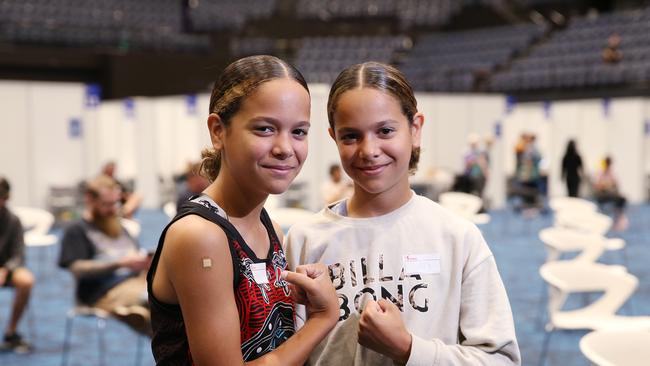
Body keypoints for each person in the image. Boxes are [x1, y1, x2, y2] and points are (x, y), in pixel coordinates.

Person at [285, 62, 520, 365]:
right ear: (334, 138)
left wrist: (408, 349)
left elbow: (501, 360)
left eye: (385, 131)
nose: (369, 149)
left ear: (415, 129)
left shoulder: (457, 238)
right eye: (351, 136)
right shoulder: (305, 240)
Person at [146, 55, 338, 365]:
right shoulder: (200, 236)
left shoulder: (268, 227)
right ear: (218, 131)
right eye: (264, 129)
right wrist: (321, 319)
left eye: (299, 132)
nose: (285, 148)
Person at [59, 175, 151, 336]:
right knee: (162, 307)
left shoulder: (119, 225)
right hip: (103, 291)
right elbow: (77, 269)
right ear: (90, 200)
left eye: (115, 203)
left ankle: (136, 309)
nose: (113, 209)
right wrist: (120, 263)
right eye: (106, 204)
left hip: (136, 281)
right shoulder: (76, 230)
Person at [0, 177, 34, 353]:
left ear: (6, 199)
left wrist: (6, 269)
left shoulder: (13, 221)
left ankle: (11, 331)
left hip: (7, 269)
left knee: (26, 280)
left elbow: (19, 254)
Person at [593, 156, 628, 231]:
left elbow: (616, 184)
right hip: (603, 194)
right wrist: (605, 185)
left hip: (611, 193)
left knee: (621, 199)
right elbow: (597, 185)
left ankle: (619, 216)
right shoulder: (600, 172)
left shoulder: (612, 173)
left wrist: (611, 185)